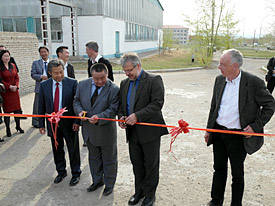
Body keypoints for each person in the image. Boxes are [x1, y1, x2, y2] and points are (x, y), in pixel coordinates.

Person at [204, 49, 275, 206]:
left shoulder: (253, 83)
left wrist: (256, 126)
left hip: (238, 137)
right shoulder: (219, 80)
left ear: (235, 66)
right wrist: (209, 129)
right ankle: (216, 201)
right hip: (219, 132)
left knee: (237, 174)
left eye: (222, 64)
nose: (219, 67)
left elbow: (270, 104)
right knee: (219, 170)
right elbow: (214, 106)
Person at [118, 53, 168, 206]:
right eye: (124, 71)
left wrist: (137, 116)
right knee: (137, 164)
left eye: (129, 70)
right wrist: (121, 117)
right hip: (132, 133)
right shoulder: (124, 83)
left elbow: (157, 103)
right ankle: (138, 192)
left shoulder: (154, 80)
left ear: (138, 66)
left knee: (151, 165)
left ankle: (150, 195)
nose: (127, 74)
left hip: (150, 132)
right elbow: (121, 106)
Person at [74, 63, 119, 196]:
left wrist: (99, 117)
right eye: (96, 78)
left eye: (103, 78)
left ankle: (109, 184)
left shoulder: (114, 89)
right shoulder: (82, 85)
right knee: (93, 158)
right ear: (91, 75)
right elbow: (76, 101)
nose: (99, 81)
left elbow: (113, 109)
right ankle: (97, 181)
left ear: (107, 75)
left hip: (105, 132)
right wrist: (79, 112)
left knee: (109, 160)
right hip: (89, 131)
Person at [38, 59, 81, 186]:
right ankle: (61, 171)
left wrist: (77, 121)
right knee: (57, 148)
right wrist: (41, 124)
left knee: (73, 149)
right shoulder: (44, 85)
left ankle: (76, 173)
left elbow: (77, 104)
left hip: (69, 123)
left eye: (61, 72)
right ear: (50, 73)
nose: (59, 75)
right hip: (53, 123)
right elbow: (41, 106)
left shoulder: (72, 83)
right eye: (56, 73)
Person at [0, 50, 24, 138]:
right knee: (7, 111)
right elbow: (0, 80)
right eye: (5, 56)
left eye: (8, 56)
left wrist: (16, 86)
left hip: (14, 91)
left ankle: (18, 126)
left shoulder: (13, 65)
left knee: (17, 110)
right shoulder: (0, 67)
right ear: (1, 57)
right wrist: (9, 86)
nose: (7, 58)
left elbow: (17, 77)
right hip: (6, 92)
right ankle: (8, 128)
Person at [31, 46, 50, 128]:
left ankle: (51, 120)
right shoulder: (36, 63)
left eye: (45, 52)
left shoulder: (53, 62)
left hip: (50, 86)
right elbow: (33, 74)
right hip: (40, 86)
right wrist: (41, 77)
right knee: (37, 105)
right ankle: (36, 122)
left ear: (48, 52)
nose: (43, 53)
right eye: (41, 52)